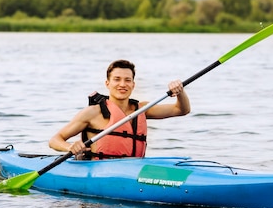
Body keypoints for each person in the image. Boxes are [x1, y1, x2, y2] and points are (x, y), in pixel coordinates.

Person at [49, 59, 190, 159]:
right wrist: (69, 147)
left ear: (133, 85)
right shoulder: (92, 113)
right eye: (117, 79)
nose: (122, 84)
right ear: (107, 83)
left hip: (132, 171)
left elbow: (181, 110)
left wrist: (180, 92)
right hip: (98, 172)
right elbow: (54, 140)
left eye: (127, 80)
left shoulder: (143, 109)